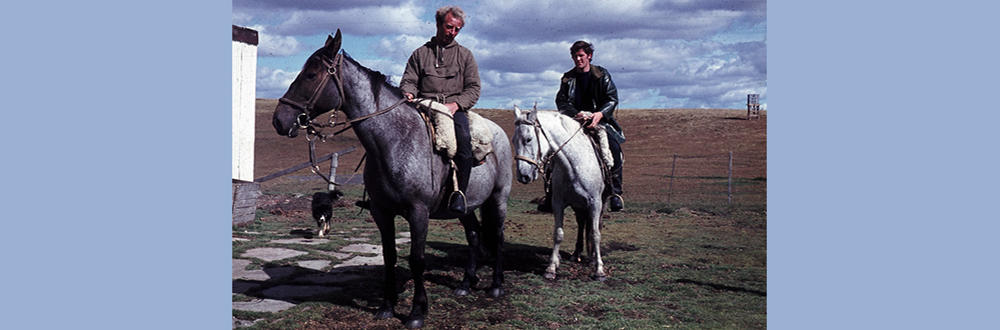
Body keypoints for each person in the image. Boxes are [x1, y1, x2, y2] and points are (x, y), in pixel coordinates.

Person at [400, 5, 481, 214]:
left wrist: (456, 105)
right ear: (438, 24)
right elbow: (409, 80)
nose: (452, 32)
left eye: (456, 30)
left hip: (454, 109)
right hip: (424, 106)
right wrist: (408, 93)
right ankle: (384, 193)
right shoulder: (420, 54)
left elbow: (473, 88)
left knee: (463, 138)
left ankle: (459, 195)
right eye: (449, 27)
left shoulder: (465, 55)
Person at [545, 40, 626, 212]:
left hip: (600, 121)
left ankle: (615, 193)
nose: (578, 59)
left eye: (581, 55)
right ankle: (550, 194)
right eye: (575, 56)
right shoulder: (567, 78)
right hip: (574, 123)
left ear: (589, 56)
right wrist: (576, 114)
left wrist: (599, 114)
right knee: (552, 153)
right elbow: (561, 101)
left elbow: (611, 98)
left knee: (614, 148)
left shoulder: (602, 75)